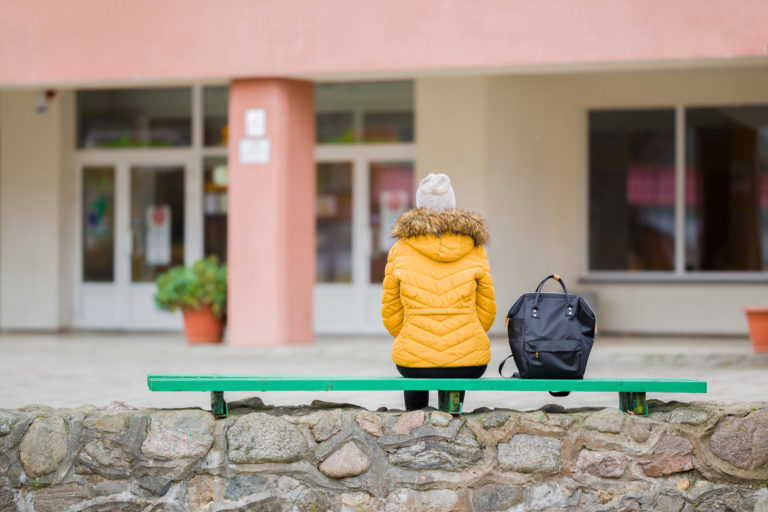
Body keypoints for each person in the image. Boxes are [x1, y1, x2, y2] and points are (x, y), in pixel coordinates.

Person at [381, 173, 497, 410]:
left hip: (414, 361)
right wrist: (466, 331)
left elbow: (391, 312)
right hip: (468, 360)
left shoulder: (401, 249)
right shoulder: (475, 249)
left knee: (414, 364)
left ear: (419, 205)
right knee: (459, 364)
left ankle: (413, 423)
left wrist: (412, 333)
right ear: (452, 205)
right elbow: (486, 312)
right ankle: (453, 422)